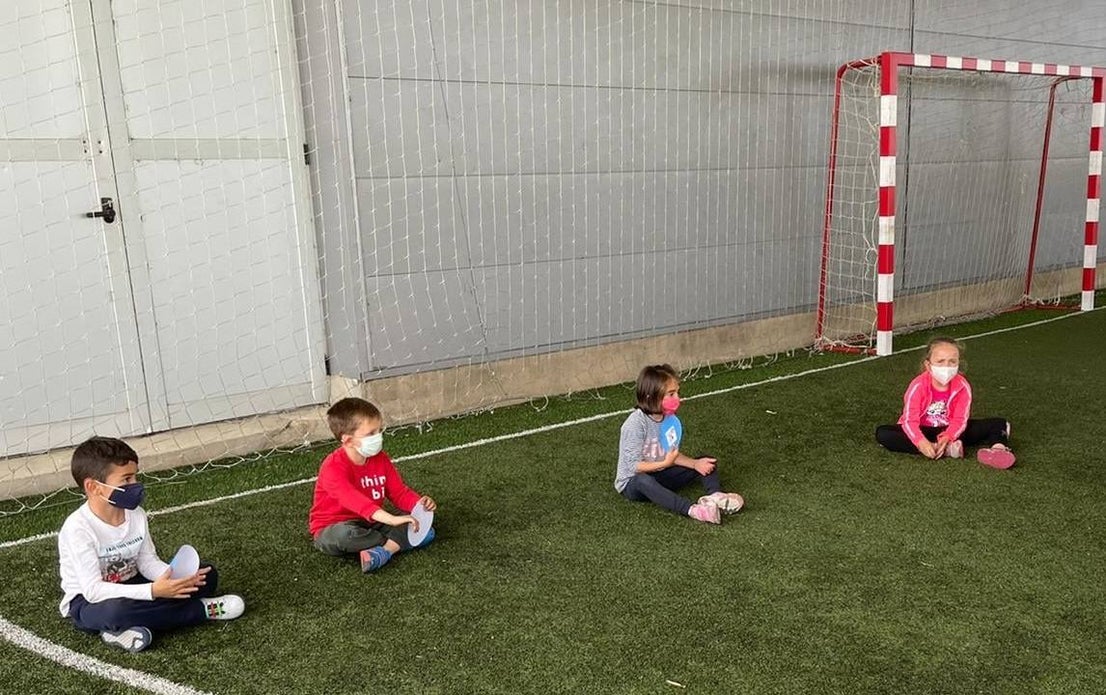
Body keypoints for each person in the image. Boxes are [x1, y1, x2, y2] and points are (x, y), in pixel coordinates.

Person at [57, 436, 244, 653]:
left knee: (207, 575)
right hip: (90, 602)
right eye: (126, 480)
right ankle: (201, 611)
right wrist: (154, 591)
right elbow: (93, 591)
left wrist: (174, 577)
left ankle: (122, 630)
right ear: (93, 487)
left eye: (135, 477)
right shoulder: (78, 529)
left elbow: (146, 561)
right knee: (115, 613)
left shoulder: (136, 514)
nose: (134, 485)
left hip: (134, 583)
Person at [308, 397, 437, 572]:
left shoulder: (380, 458)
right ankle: (395, 542)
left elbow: (399, 493)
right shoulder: (332, 467)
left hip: (372, 522)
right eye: (371, 433)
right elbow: (359, 504)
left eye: (379, 430)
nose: (378, 437)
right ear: (348, 440)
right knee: (345, 535)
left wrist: (419, 505)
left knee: (423, 526)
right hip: (335, 527)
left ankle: (383, 552)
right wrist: (392, 520)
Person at [615, 364, 744, 523]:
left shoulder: (669, 419)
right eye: (671, 394)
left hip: (661, 472)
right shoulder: (635, 424)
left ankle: (714, 497)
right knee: (643, 480)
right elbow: (633, 466)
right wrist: (665, 462)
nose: (678, 398)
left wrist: (695, 464)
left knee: (706, 460)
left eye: (677, 392)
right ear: (652, 396)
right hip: (633, 483)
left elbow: (672, 454)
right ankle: (694, 510)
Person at [875, 336, 1015, 468]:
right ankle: (945, 450)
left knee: (998, 423)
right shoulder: (918, 386)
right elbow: (909, 421)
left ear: (958, 363)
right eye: (940, 361)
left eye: (952, 362)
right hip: (922, 430)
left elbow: (960, 420)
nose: (946, 367)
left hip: (950, 431)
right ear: (928, 365)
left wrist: (948, 436)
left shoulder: (962, 386)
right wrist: (921, 443)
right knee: (883, 433)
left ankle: (999, 449)